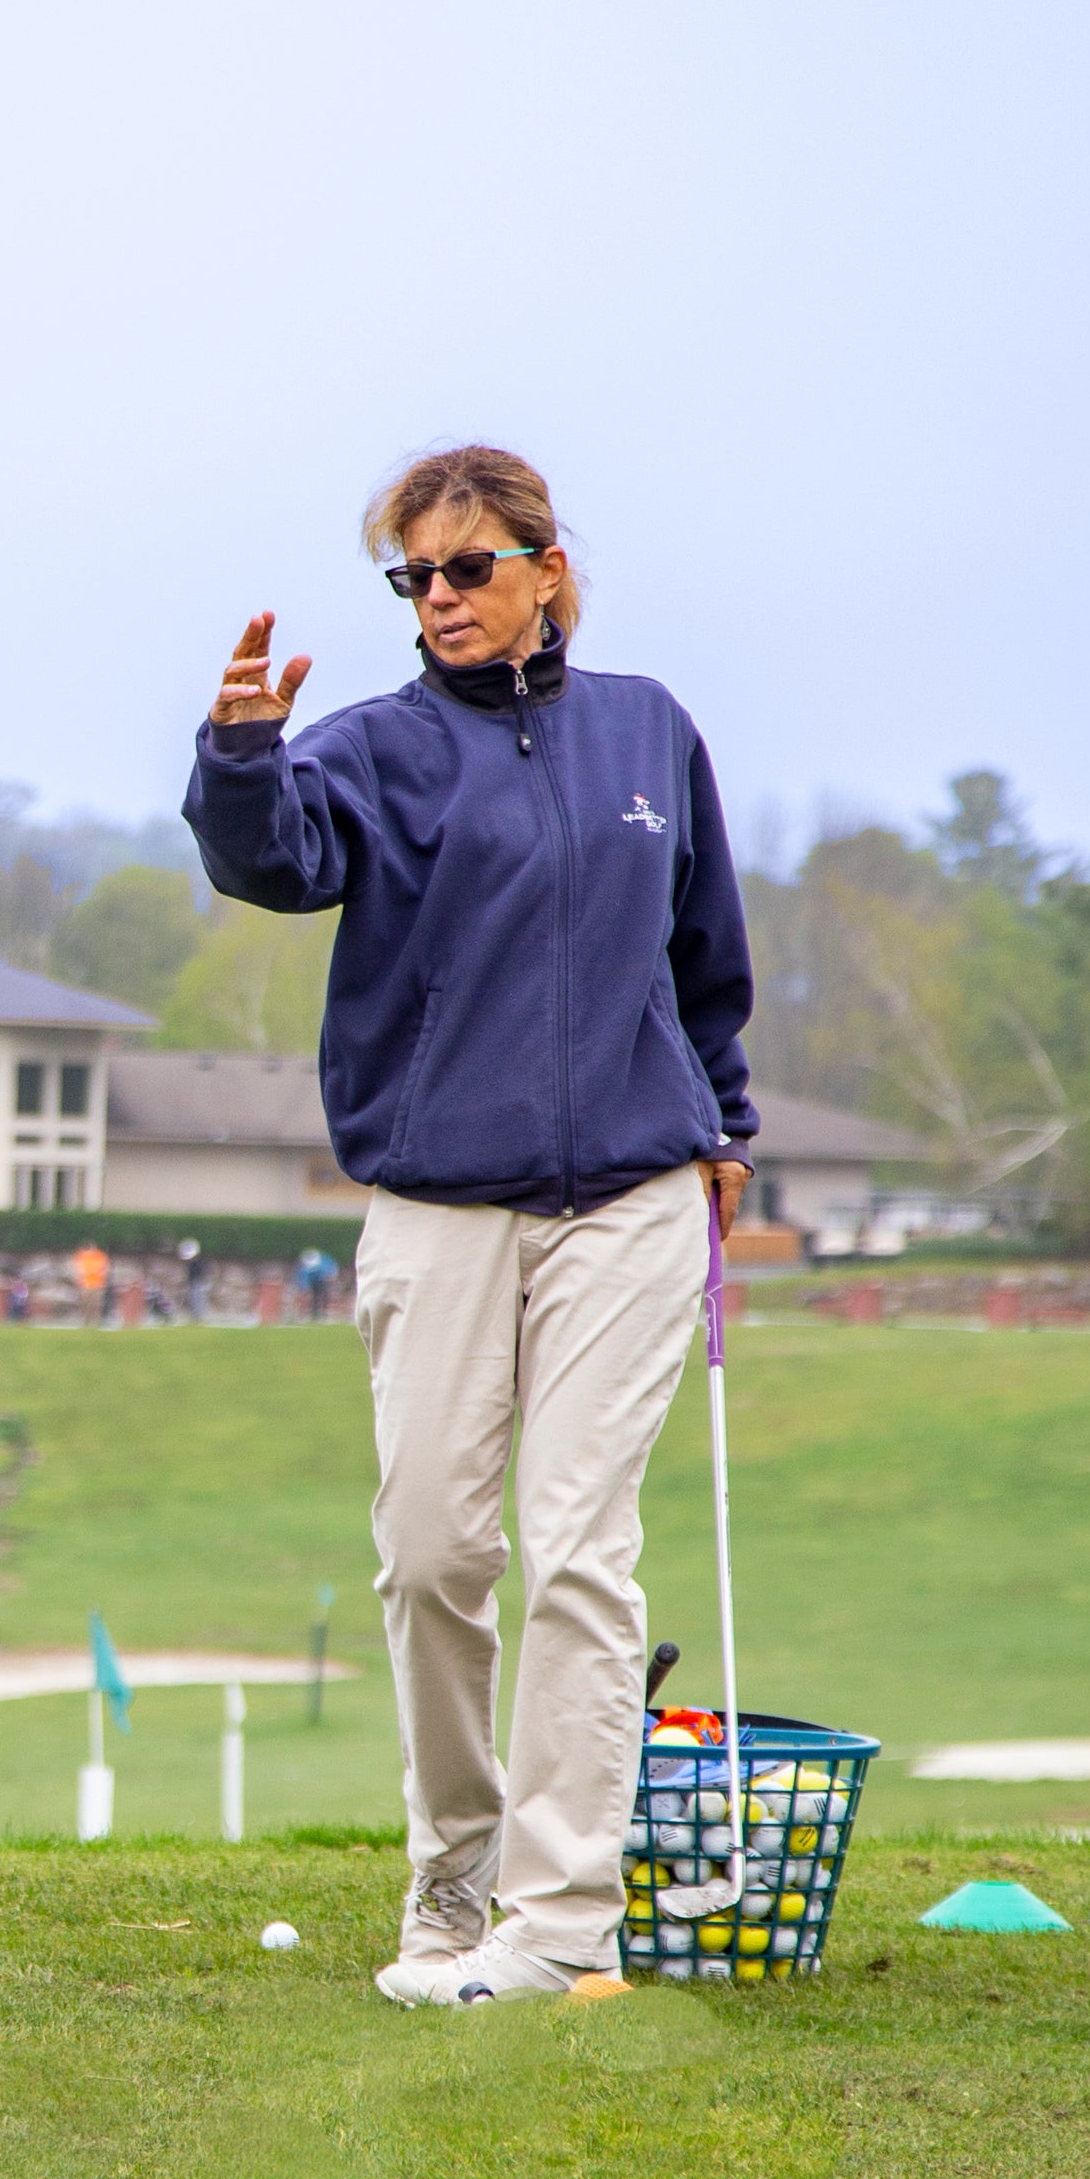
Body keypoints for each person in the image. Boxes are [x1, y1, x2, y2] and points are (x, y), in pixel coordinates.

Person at [183, 447, 752, 2008]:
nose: (440, 598)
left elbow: (706, 955)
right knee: (436, 1551)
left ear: (546, 567)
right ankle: (455, 1876)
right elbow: (276, 859)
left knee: (580, 1551)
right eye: (415, 578)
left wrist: (728, 1122)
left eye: (468, 568)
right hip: (439, 1202)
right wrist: (241, 753)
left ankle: (559, 1919)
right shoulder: (376, 752)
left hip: (632, 1195)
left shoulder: (649, 732)